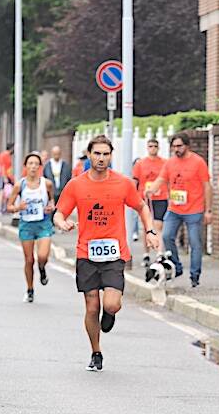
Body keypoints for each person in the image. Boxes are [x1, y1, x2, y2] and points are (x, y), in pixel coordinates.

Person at [54, 135, 159, 372]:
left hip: (114, 253)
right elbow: (59, 212)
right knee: (92, 307)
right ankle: (96, 351)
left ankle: (109, 315)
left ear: (111, 156)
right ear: (89, 155)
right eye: (97, 153)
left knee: (111, 305)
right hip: (86, 253)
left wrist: (150, 231)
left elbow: (141, 207)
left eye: (106, 154)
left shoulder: (122, 183)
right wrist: (62, 223)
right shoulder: (76, 184)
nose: (101, 158)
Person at [151, 132, 213, 287]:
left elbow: (207, 186)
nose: (176, 149)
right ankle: (177, 267)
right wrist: (151, 189)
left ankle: (194, 275)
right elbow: (161, 178)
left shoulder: (198, 162)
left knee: (195, 243)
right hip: (174, 209)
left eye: (179, 146)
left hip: (194, 210)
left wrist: (208, 210)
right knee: (166, 236)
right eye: (174, 147)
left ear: (187, 146)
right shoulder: (170, 163)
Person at [8, 152, 56, 303]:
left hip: (43, 224)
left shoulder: (46, 184)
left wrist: (51, 206)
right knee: (29, 260)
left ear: (40, 167)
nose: (33, 166)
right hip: (27, 225)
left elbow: (52, 201)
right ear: (25, 166)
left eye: (36, 164)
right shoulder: (20, 185)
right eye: (30, 163)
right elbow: (8, 206)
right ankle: (30, 289)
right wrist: (18, 207)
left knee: (42, 256)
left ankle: (42, 270)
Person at [133, 138, 167, 266]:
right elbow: (135, 181)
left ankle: (159, 253)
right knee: (147, 226)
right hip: (144, 199)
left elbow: (167, 179)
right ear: (147, 148)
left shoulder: (164, 163)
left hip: (160, 197)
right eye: (150, 146)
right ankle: (146, 253)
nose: (152, 148)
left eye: (155, 146)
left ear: (158, 148)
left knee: (158, 225)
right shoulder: (140, 164)